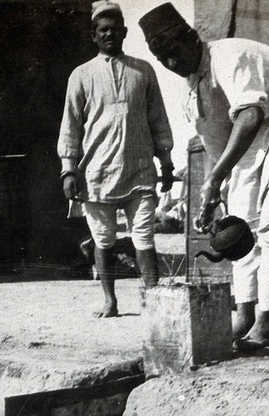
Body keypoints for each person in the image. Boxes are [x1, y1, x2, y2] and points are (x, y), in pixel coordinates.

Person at [138, 3, 269, 350]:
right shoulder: (192, 90)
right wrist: (214, 195)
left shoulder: (228, 56)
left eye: (174, 52)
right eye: (163, 60)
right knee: (239, 220)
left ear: (192, 39)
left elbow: (251, 114)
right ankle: (245, 313)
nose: (172, 64)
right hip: (251, 131)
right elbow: (215, 147)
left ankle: (265, 324)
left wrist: (214, 179)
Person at [58, 1, 175, 318]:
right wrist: (69, 169)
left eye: (115, 28)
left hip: (139, 171)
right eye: (103, 29)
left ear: (124, 32)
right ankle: (110, 301)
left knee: (145, 238)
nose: (109, 33)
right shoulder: (81, 75)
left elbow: (158, 120)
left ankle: (154, 300)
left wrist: (165, 162)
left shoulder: (143, 70)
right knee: (104, 240)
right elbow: (70, 125)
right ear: (94, 35)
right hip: (98, 172)